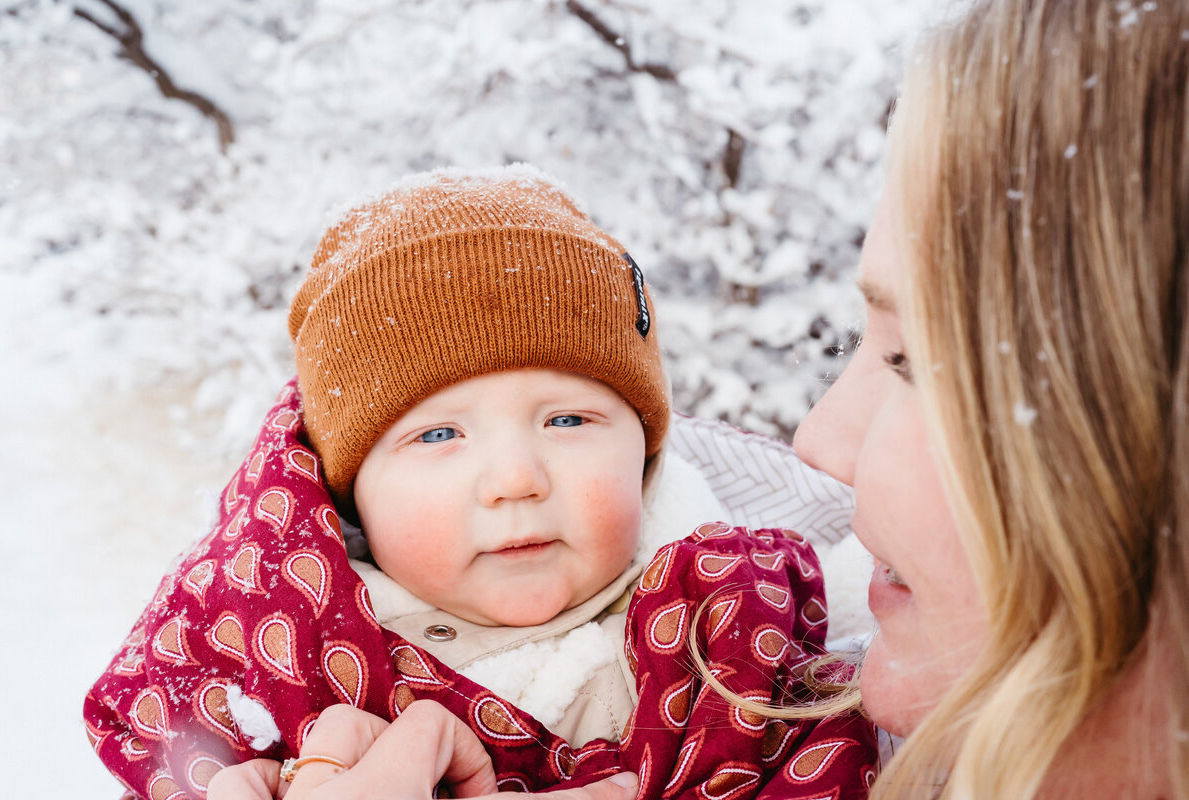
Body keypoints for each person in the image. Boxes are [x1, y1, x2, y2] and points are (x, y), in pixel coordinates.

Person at [212, 0, 1189, 797]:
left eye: (909, 360)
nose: (817, 439)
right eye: (435, 433)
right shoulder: (282, 663)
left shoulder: (764, 645)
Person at [84, 165, 877, 800]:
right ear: (351, 492)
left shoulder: (758, 620)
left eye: (567, 422)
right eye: (437, 435)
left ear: (645, 451)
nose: (514, 479)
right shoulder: (282, 678)